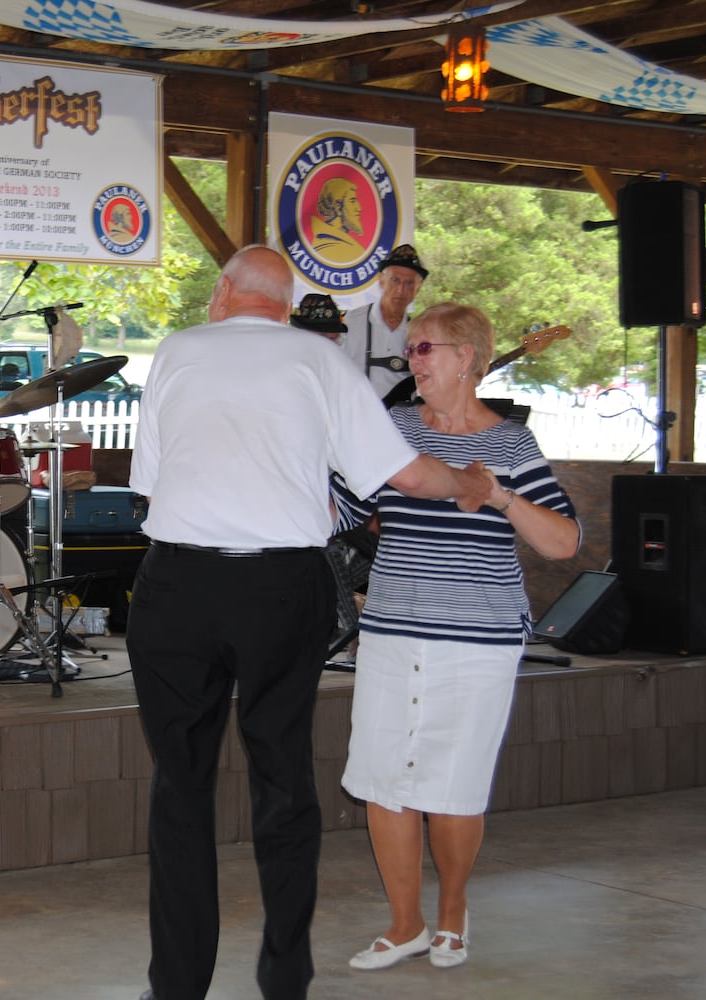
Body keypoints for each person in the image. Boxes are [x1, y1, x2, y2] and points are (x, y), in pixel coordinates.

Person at [126, 245, 492, 1000]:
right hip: (279, 585)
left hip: (180, 583)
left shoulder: (176, 351)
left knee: (180, 785)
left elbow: (152, 485)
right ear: (286, 303)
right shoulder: (319, 361)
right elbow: (403, 474)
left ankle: (176, 986)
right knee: (282, 776)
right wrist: (469, 483)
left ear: (224, 293)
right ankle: (285, 977)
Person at [332, 302, 580, 973]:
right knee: (384, 780)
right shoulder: (393, 429)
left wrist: (499, 497)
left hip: (478, 640)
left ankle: (452, 914)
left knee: (453, 784)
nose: (410, 361)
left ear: (466, 357)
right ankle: (405, 923)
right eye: (411, 349)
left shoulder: (511, 444)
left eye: (423, 349)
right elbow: (341, 507)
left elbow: (563, 541)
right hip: (390, 631)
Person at [338, 243, 429, 400]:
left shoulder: (419, 333)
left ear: (418, 289)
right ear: (381, 281)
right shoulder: (352, 322)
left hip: (401, 423)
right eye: (395, 280)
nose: (401, 290)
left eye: (409, 283)